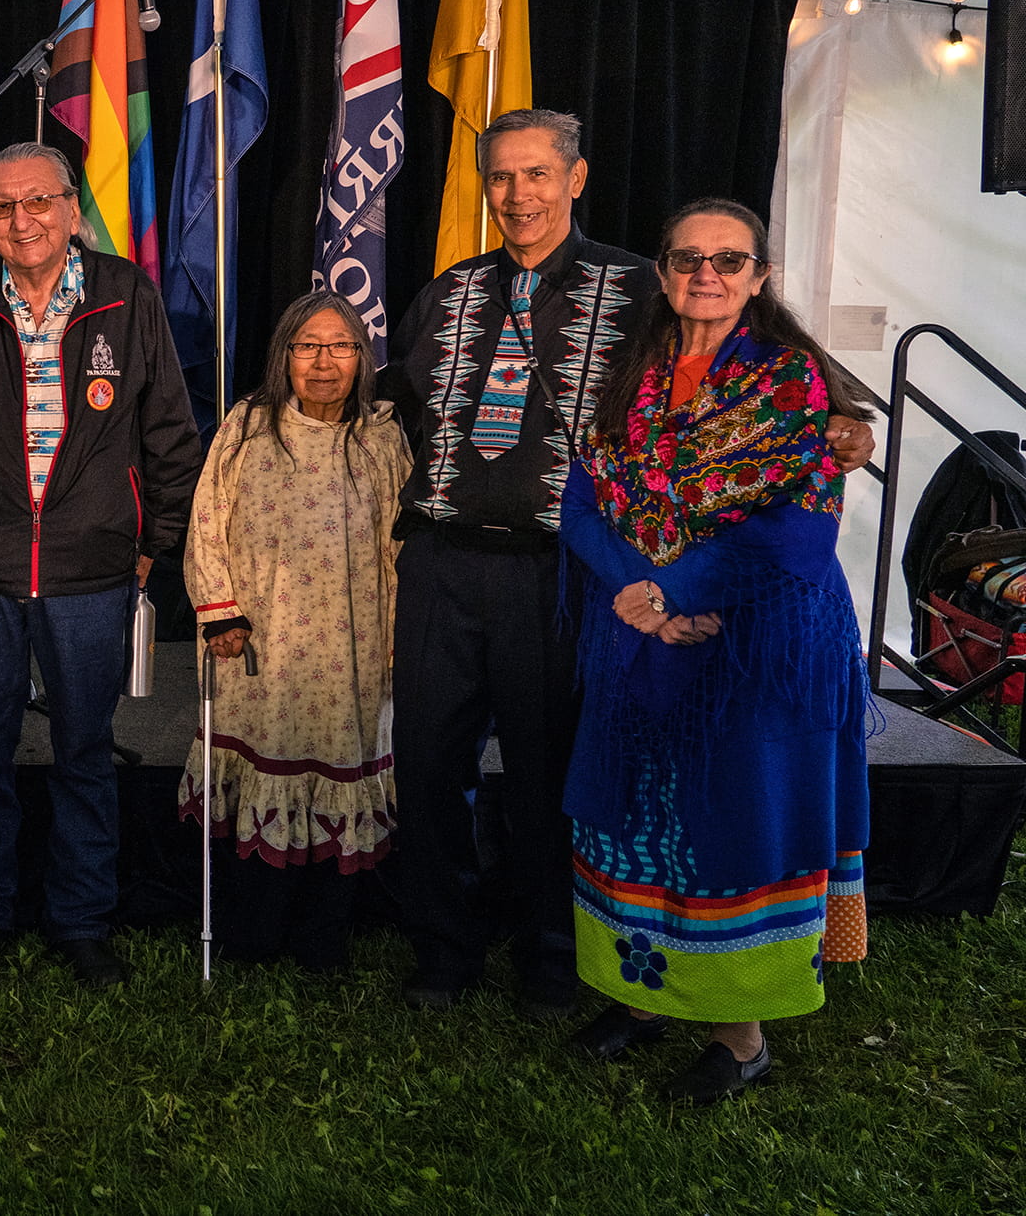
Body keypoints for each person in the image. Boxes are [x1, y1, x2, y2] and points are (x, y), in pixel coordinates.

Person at [378, 108, 874, 1018]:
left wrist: (846, 425)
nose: (517, 193)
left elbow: (764, 360)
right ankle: (443, 950)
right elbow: (386, 391)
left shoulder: (644, 284)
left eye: (536, 174)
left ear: (576, 179)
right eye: (500, 177)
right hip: (442, 562)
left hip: (555, 572)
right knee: (426, 759)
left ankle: (550, 957)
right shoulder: (449, 290)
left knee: (543, 768)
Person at [558, 198, 872, 1104]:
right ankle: (641, 994)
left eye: (729, 261)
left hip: (756, 646)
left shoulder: (791, 382)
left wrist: (676, 591)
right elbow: (582, 505)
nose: (707, 274)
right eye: (688, 258)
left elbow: (797, 537)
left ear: (760, 278)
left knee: (729, 822)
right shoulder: (630, 377)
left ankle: (741, 1039)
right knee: (640, 817)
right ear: (661, 274)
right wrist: (640, 596)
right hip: (640, 634)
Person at [0, 142, 204, 989]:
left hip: (94, 570)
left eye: (39, 202)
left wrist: (152, 543)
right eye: (4, 208)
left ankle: (81, 922)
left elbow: (168, 431)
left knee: (86, 749)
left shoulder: (127, 296)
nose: (24, 221)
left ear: (71, 208)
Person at [181, 292, 409, 973]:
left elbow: (401, 544)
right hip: (258, 645)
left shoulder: (382, 436)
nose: (323, 362)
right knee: (262, 773)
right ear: (284, 355)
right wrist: (218, 608)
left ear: (362, 358)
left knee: (338, 773)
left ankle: (322, 938)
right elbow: (207, 520)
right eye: (307, 346)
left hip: (352, 648)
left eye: (340, 347)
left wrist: (401, 633)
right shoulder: (248, 427)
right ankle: (253, 934)